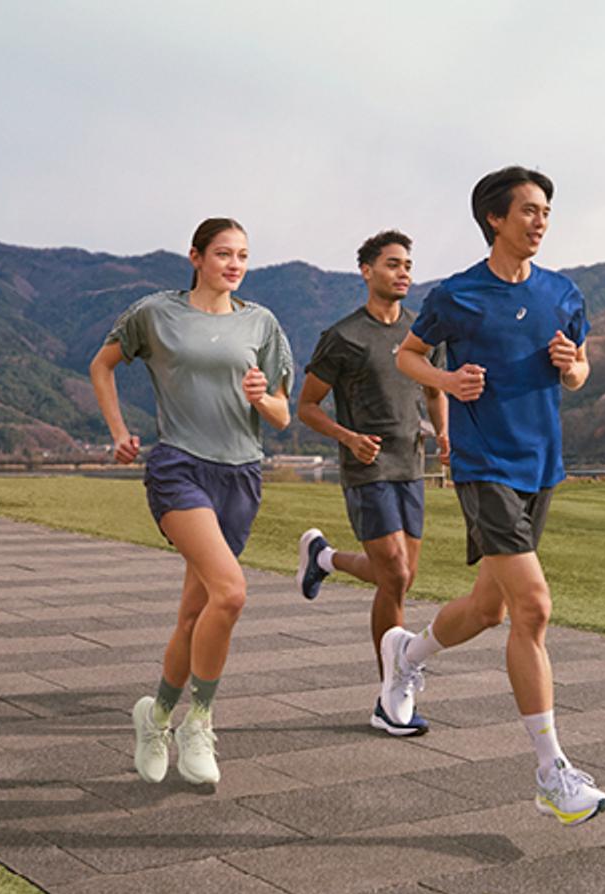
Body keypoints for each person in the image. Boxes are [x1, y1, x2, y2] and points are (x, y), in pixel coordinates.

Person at [391, 166, 605, 824]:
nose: (541, 221)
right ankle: (551, 771)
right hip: (484, 464)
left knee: (490, 608)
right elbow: (407, 355)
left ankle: (408, 652)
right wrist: (447, 381)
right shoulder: (459, 295)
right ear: (495, 218)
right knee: (533, 609)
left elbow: (579, 373)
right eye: (529, 211)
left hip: (540, 464)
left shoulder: (563, 292)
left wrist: (573, 367)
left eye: (546, 211)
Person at [88, 218, 293, 787]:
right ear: (196, 257)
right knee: (230, 592)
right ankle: (198, 720)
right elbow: (101, 365)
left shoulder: (262, 323)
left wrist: (263, 398)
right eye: (223, 253)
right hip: (179, 468)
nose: (234, 264)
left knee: (192, 615)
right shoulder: (156, 313)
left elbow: (281, 413)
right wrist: (118, 431)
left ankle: (153, 716)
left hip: (242, 474)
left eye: (243, 255)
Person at [293, 230, 449, 737]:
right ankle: (390, 695)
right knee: (396, 575)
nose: (403, 272)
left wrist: (445, 435)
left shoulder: (418, 334)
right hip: (367, 469)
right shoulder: (343, 337)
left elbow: (433, 391)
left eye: (408, 264)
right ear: (366, 271)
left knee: (398, 578)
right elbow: (307, 407)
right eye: (392, 264)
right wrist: (348, 437)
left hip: (411, 466)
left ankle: (323, 558)